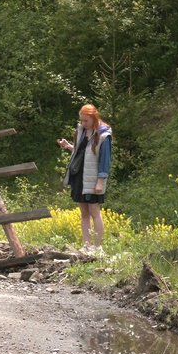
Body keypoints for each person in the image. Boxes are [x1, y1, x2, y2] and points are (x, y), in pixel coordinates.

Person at [57, 104, 112, 252]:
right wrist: (69, 146)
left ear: (94, 118)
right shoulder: (81, 131)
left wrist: (100, 181)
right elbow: (82, 153)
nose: (83, 123)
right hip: (79, 177)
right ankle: (86, 245)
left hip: (93, 178)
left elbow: (104, 161)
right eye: (81, 120)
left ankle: (98, 247)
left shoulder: (104, 135)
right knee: (84, 213)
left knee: (95, 212)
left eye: (86, 121)